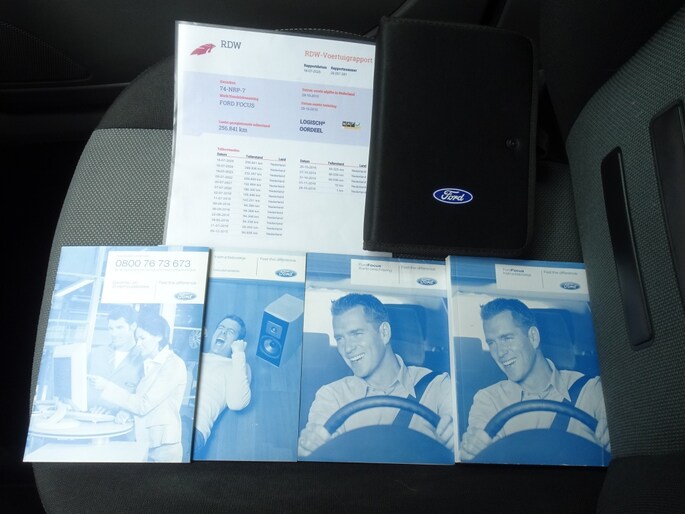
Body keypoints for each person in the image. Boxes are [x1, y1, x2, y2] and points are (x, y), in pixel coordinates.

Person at [298, 293, 454, 458]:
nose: (347, 348)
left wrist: (453, 436)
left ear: (384, 333)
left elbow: (453, 426)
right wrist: (312, 445)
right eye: (340, 338)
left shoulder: (437, 386)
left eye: (356, 334)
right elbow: (320, 441)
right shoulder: (331, 395)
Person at [459, 297, 611, 461]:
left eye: (507, 338)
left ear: (533, 337)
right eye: (491, 343)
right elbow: (481, 448)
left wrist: (615, 438)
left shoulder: (590, 390)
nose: (500, 352)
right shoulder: (488, 400)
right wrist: (473, 449)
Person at [89, 311, 188, 462]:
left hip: (163, 448)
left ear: (158, 337)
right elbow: (145, 402)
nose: (138, 343)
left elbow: (143, 404)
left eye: (142, 338)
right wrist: (127, 412)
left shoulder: (174, 364)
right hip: (145, 442)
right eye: (137, 339)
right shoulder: (150, 364)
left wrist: (107, 386)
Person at [193, 314, 252, 455]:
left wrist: (239, 353)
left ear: (237, 342)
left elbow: (237, 403)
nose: (223, 333)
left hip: (193, 428)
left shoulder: (237, 365)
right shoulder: (196, 356)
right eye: (221, 328)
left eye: (230, 332)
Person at [88, 305, 144, 414]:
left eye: (119, 328)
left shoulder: (143, 359)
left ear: (133, 326)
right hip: (91, 417)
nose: (114, 334)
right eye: (111, 328)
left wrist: (125, 413)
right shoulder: (95, 354)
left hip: (122, 422)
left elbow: (142, 401)